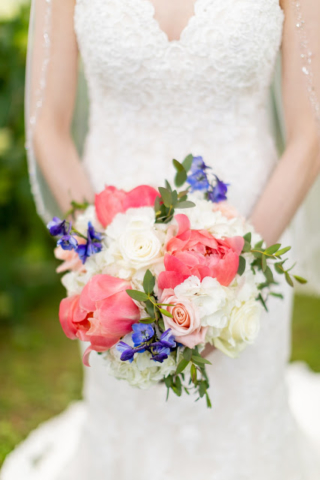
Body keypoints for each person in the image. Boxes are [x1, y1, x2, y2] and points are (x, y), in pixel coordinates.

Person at [1, 0, 320, 478]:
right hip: (111, 243)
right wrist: (104, 266)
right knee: (131, 408)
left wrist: (233, 275)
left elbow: (311, 131)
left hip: (255, 223)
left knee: (240, 413)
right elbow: (48, 127)